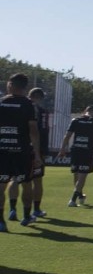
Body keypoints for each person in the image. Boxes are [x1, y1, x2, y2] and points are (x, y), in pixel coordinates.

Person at [0, 74, 42, 231]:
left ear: (10, 85)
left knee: (1, 185)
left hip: (2, 150)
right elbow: (33, 130)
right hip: (21, 151)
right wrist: (37, 154)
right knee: (26, 183)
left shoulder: (1, 102)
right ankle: (26, 216)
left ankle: (1, 221)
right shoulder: (28, 105)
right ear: (25, 87)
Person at [9, 87, 49, 220]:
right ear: (41, 98)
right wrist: (41, 151)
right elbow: (41, 131)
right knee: (36, 180)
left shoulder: (16, 106)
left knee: (15, 178)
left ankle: (12, 209)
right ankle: (35, 210)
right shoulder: (41, 111)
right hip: (34, 149)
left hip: (16, 147)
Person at [57, 105, 93, 207]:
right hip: (87, 151)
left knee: (76, 174)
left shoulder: (75, 120)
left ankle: (80, 196)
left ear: (85, 111)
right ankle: (72, 199)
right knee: (82, 175)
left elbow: (67, 136)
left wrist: (62, 149)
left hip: (75, 150)